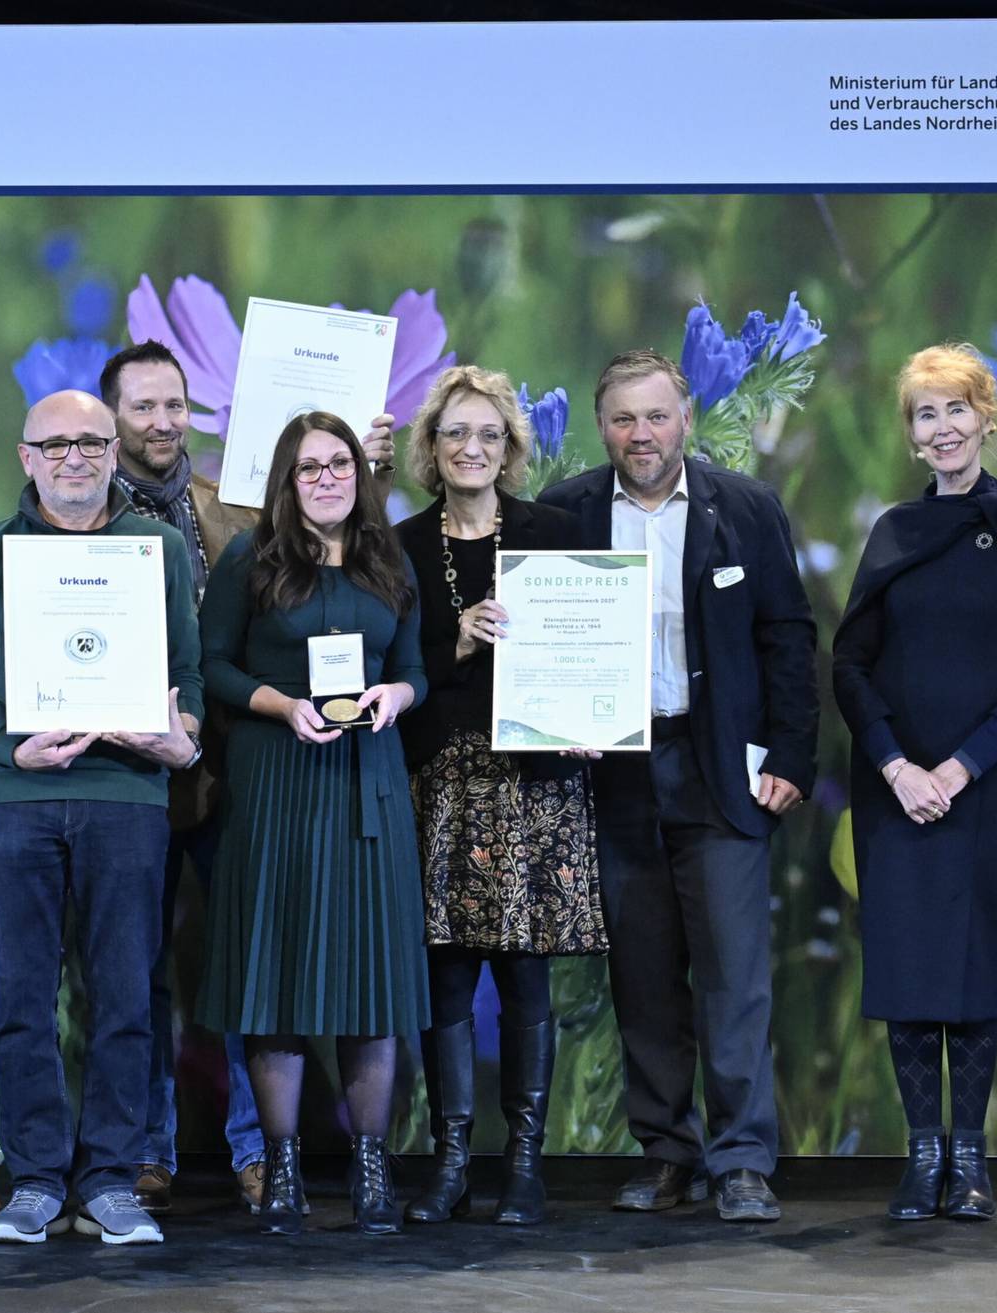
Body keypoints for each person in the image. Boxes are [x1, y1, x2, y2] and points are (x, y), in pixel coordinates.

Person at [103, 340, 398, 1214]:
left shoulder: (229, 513)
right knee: (136, 970)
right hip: (123, 775)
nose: (162, 422)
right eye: (143, 407)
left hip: (227, 777)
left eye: (174, 406)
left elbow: (319, 532)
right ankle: (149, 1147)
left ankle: (256, 1153)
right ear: (110, 415)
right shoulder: (80, 516)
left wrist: (366, 466)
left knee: (244, 965)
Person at [538, 349, 817, 1223]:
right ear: (603, 427)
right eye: (624, 419)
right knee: (644, 971)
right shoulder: (565, 512)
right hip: (616, 771)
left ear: (687, 417)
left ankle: (740, 1159)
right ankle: (667, 1151)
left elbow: (790, 641)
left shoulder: (747, 507)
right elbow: (541, 636)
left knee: (734, 971)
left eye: (656, 416)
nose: (641, 434)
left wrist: (792, 761)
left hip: (719, 769)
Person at [0, 389, 203, 1246]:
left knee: (124, 995)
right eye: (56, 445)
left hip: (128, 798)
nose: (75, 457)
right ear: (25, 457)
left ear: (115, 451)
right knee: (19, 995)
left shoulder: (157, 550)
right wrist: (12, 749)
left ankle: (111, 1179)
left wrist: (174, 741)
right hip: (16, 802)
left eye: (90, 442)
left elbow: (187, 685)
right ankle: (38, 1180)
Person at [832, 344, 997, 1222]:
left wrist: (962, 766)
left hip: (985, 783)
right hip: (894, 784)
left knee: (970, 967)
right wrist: (896, 763)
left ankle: (970, 1160)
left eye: (955, 410)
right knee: (905, 965)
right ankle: (920, 1153)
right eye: (925, 414)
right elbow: (850, 662)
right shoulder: (892, 530)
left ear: (987, 417)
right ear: (910, 433)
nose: (941, 429)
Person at [197, 411, 430, 1237]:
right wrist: (281, 704)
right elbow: (213, 665)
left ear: (359, 473)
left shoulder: (388, 559)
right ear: (285, 481)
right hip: (278, 784)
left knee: (372, 983)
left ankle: (372, 1173)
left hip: (368, 783)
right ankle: (284, 1169)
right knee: (278, 980)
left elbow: (414, 670)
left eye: (339, 463)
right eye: (308, 467)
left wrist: (396, 696)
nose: (327, 477)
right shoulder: (249, 561)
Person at [393, 365, 607, 1227]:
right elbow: (391, 670)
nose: (472, 448)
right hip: (445, 779)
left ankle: (524, 1162)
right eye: (455, 434)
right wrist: (459, 643)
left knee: (526, 979)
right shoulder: (404, 547)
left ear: (511, 448)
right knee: (445, 976)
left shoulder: (555, 534)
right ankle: (450, 1164)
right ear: (432, 451)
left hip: (537, 783)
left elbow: (594, 644)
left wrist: (601, 712)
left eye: (488, 434)